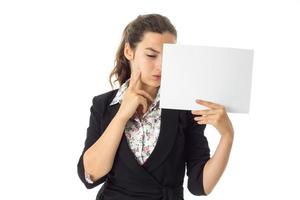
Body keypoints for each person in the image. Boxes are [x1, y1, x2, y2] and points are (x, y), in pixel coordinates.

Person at [77, 13, 234, 200]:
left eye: (169, 57)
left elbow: (199, 185)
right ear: (129, 51)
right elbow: (91, 176)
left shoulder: (184, 108)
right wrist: (121, 115)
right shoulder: (103, 105)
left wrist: (227, 136)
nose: (161, 66)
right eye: (151, 55)